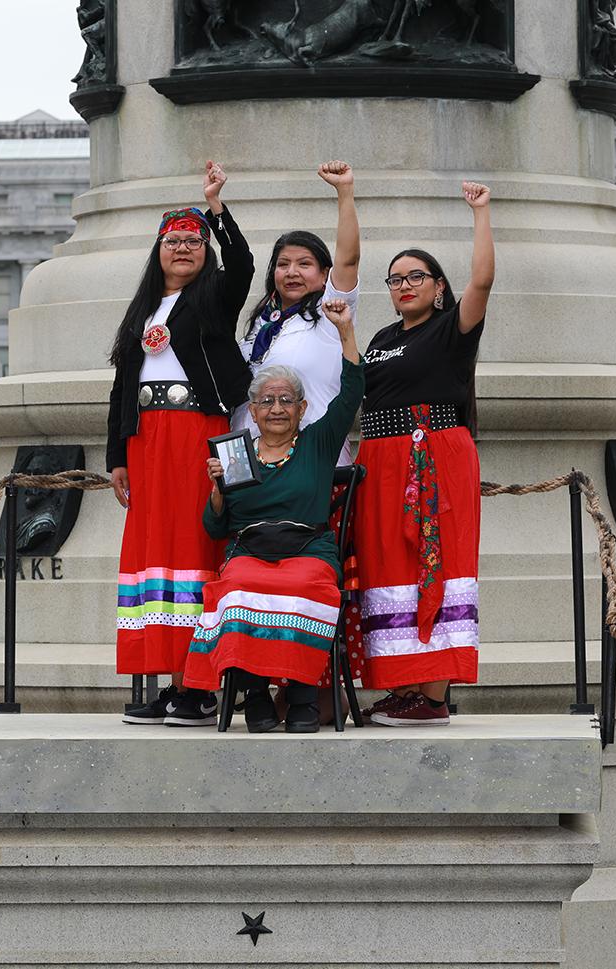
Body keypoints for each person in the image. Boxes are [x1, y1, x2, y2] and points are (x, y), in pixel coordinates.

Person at [109, 161, 255, 728]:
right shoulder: (142, 311)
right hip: (148, 442)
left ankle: (197, 686)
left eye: (193, 241)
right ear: (158, 251)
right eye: (173, 241)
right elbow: (122, 388)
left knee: (196, 550)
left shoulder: (214, 298)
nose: (184, 248)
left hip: (199, 434)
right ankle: (168, 682)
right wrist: (117, 457)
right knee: (155, 559)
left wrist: (216, 209)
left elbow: (242, 264)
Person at [183, 299, 363, 733]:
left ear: (302, 409)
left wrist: (344, 330)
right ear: (254, 410)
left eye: (286, 400)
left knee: (303, 584)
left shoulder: (317, 443)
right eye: (267, 401)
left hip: (308, 549)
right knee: (240, 585)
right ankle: (256, 692)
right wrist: (217, 488)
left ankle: (302, 695)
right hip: (250, 550)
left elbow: (353, 390)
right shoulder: (235, 454)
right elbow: (214, 529)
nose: (277, 408)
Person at [355, 181, 495, 727]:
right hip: (380, 461)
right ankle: (403, 684)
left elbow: (482, 279)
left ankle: (433, 695)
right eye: (396, 279)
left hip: (431, 455)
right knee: (389, 565)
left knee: (434, 562)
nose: (405, 285)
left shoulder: (452, 328)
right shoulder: (384, 336)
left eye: (416, 276)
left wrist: (481, 213)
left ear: (438, 287)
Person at [233, 161, 361, 464]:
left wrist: (345, 192)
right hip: (249, 459)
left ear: (324, 273)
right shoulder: (263, 322)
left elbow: (349, 259)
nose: (291, 272)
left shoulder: (331, 312)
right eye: (282, 264)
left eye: (304, 264)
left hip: (308, 456)